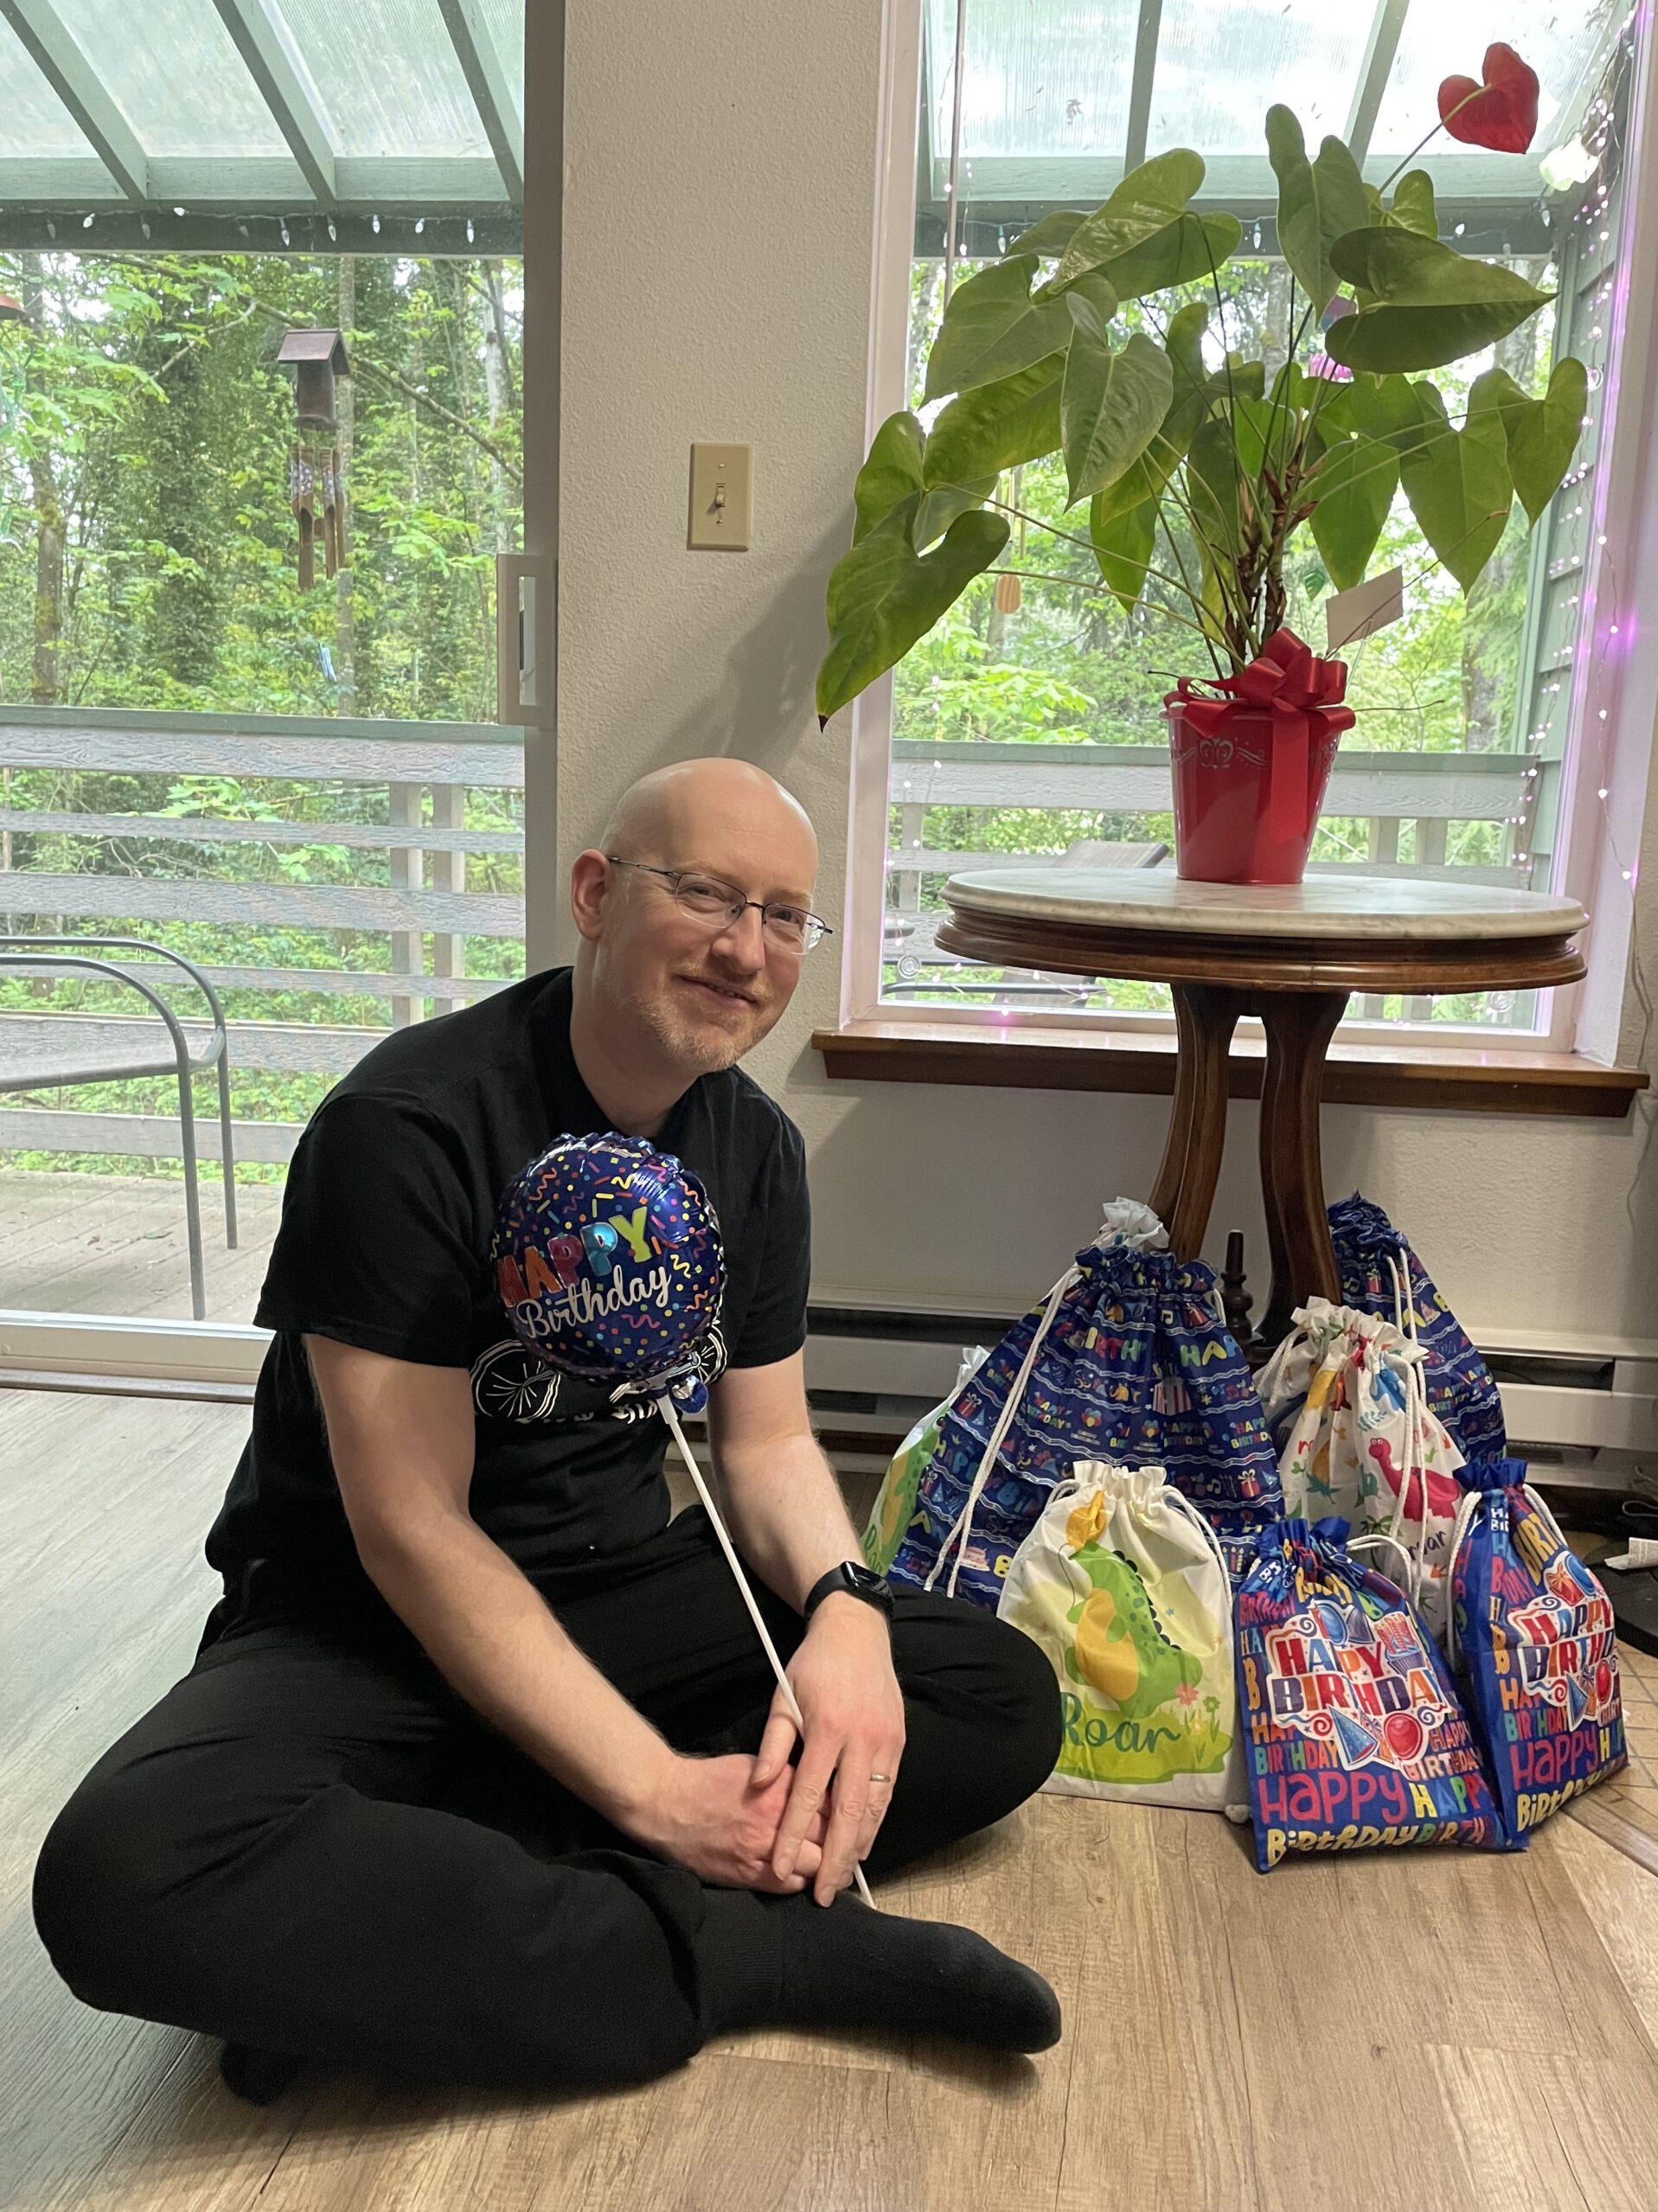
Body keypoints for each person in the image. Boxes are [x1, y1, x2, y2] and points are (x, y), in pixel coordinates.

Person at [33, 758, 1064, 2099]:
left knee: (995, 1697)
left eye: (784, 917)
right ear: (595, 894)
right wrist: (643, 1788)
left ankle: (391, 1933)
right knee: (127, 1874)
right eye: (706, 893)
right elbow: (411, 1531)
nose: (747, 948)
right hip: (365, 1622)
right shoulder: (407, 1128)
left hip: (619, 1588)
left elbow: (761, 1445)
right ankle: (753, 1954)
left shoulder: (751, 1151)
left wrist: (846, 1606)